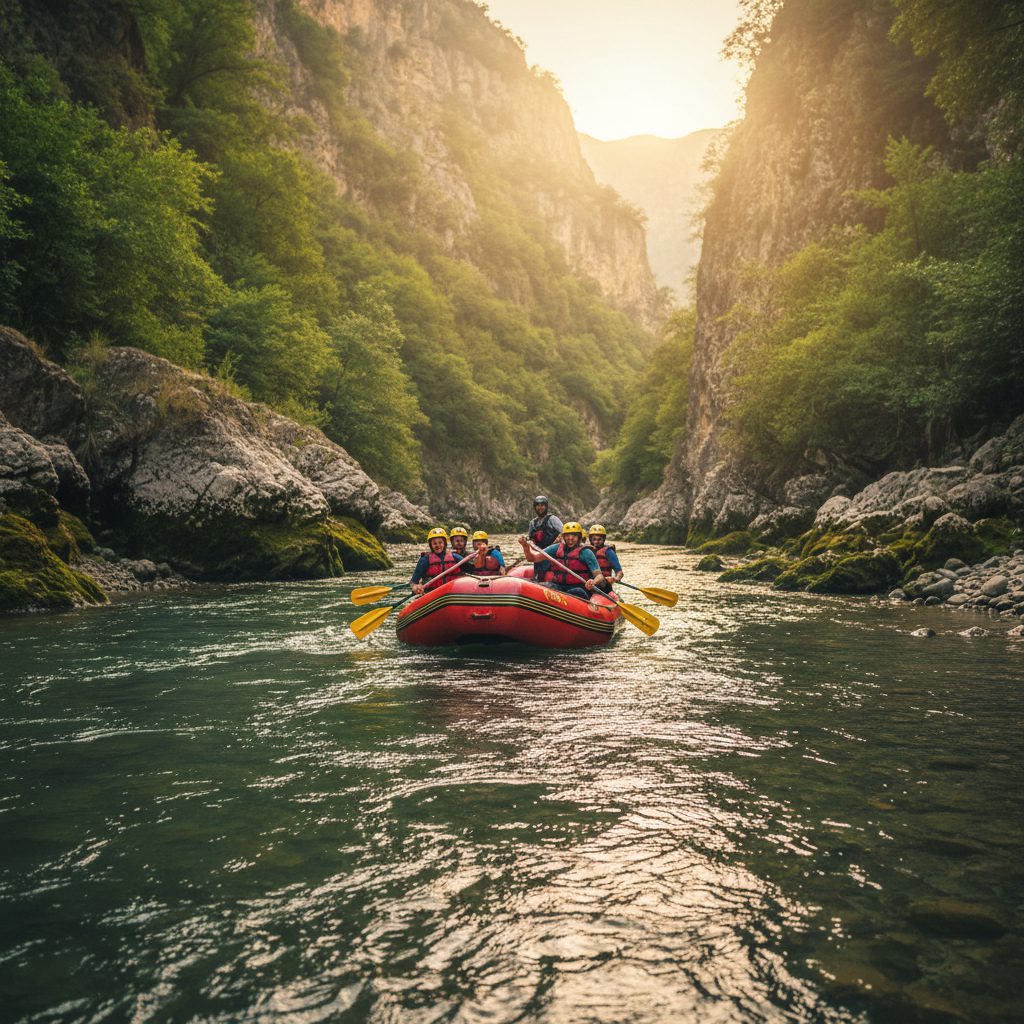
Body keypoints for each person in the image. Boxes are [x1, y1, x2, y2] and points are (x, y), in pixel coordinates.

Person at [519, 521, 603, 601]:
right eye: (567, 536)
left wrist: (593, 582)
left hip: (579, 588)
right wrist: (526, 547)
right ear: (563, 536)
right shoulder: (556, 548)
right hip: (558, 586)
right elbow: (533, 558)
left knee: (577, 592)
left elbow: (599, 576)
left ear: (579, 537)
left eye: (574, 536)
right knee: (543, 587)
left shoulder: (586, 552)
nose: (570, 538)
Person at [410, 527, 462, 595]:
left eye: (440, 543)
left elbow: (472, 568)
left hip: (452, 592)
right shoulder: (425, 560)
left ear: (444, 543)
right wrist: (415, 587)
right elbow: (413, 581)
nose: (437, 545)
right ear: (431, 545)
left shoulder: (455, 557)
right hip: (432, 594)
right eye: (434, 543)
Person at [527, 495, 562, 583]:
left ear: (546, 506)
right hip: (539, 555)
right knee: (538, 576)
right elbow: (530, 539)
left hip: (552, 555)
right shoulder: (533, 523)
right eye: (538, 505)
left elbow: (564, 532)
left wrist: (556, 542)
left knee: (548, 575)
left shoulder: (553, 519)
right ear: (535, 507)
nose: (540, 507)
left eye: (542, 505)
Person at [588, 525, 622, 592]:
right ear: (590, 539)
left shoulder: (609, 552)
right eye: (594, 539)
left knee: (602, 584)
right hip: (588, 583)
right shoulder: (586, 551)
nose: (596, 542)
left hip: (604, 584)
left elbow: (619, 572)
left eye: (599, 539)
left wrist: (616, 578)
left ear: (603, 539)